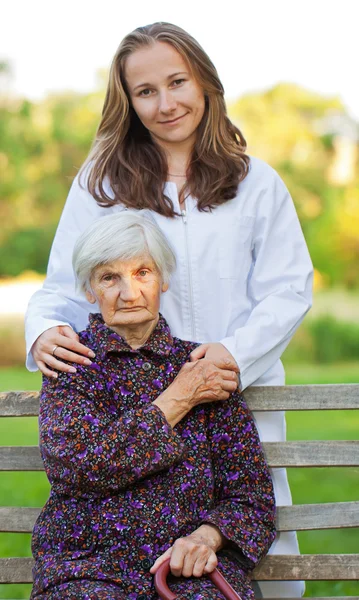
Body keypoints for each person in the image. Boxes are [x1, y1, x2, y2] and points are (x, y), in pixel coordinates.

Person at [25, 21, 313, 597]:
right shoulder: (100, 184)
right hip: (134, 396)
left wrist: (231, 355)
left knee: (244, 543)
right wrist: (42, 332)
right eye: (145, 91)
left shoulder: (257, 184)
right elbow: (63, 283)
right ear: (127, 102)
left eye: (177, 81)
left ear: (205, 83)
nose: (166, 103)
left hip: (237, 385)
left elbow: (288, 289)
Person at [30, 211, 276, 600]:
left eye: (142, 272)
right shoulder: (72, 366)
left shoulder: (202, 367)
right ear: (90, 290)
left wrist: (205, 538)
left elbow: (251, 497)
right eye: (110, 277)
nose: (129, 293)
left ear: (163, 280)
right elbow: (77, 469)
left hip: (186, 573)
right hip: (88, 569)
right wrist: (179, 398)